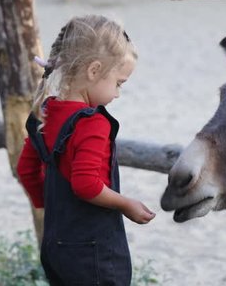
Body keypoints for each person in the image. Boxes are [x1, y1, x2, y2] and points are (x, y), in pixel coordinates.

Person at [17, 15, 156, 285]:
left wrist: (49, 204)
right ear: (94, 71)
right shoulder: (92, 122)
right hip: (93, 253)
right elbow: (86, 184)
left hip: (55, 246)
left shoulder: (46, 113)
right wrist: (126, 204)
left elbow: (26, 169)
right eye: (118, 83)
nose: (117, 94)